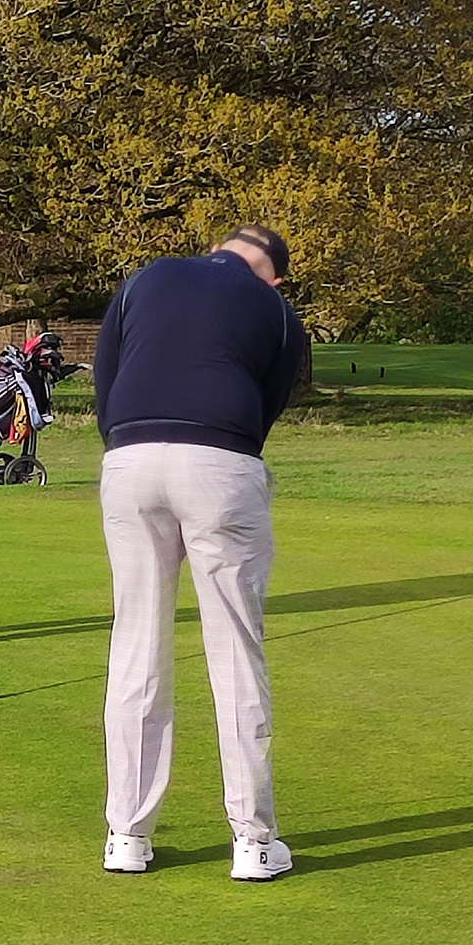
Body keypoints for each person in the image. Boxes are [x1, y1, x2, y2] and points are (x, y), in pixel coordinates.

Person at [92, 225, 307, 881]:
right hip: (222, 463)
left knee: (136, 643)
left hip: (128, 459)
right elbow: (264, 411)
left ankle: (126, 836)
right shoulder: (278, 312)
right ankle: (253, 841)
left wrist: (130, 445)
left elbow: (107, 375)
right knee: (235, 649)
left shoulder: (147, 276)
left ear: (218, 247)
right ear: (274, 274)